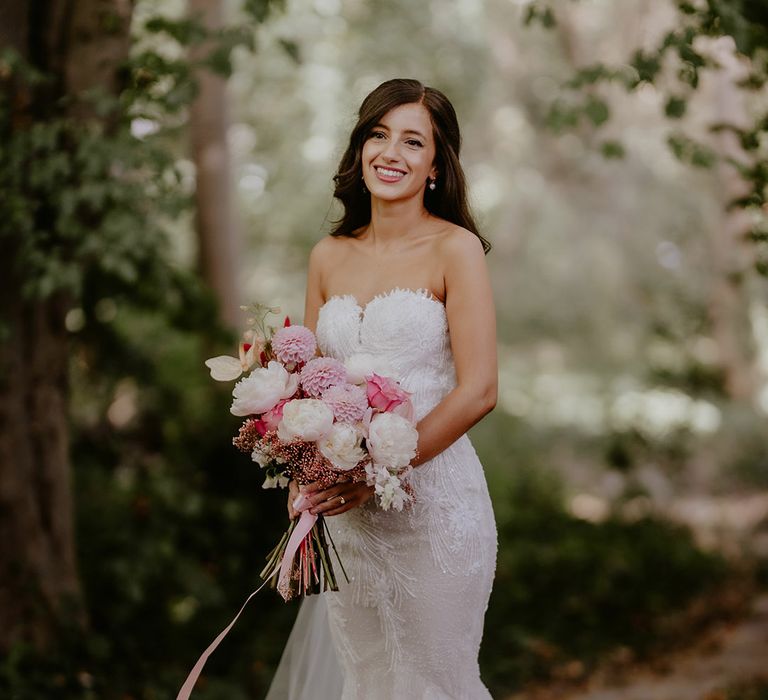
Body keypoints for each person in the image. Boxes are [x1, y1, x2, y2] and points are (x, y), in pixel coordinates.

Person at [265, 78, 498, 700]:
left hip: (435, 508)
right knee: (368, 681)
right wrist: (304, 463)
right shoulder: (327, 255)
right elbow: (307, 387)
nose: (390, 152)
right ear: (359, 148)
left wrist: (373, 475)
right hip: (352, 524)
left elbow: (478, 391)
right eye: (378, 134)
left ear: (434, 165)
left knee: (434, 684)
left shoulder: (457, 249)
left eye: (412, 141)